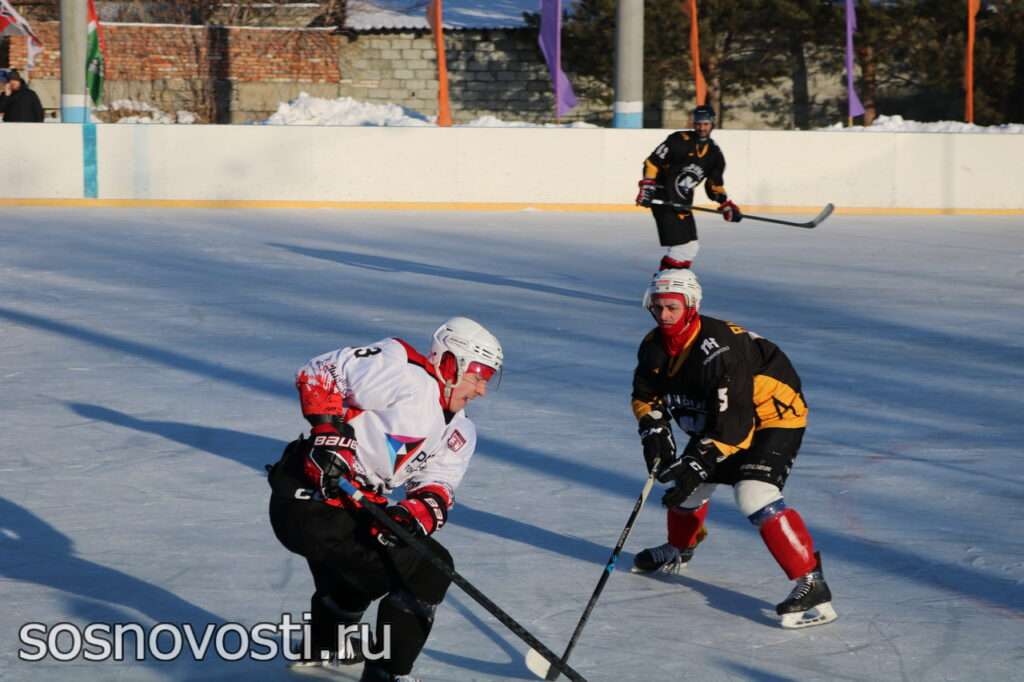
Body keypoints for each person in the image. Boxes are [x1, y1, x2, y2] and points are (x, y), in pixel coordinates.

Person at [267, 317, 504, 681]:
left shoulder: (461, 431)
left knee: (381, 563)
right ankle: (388, 674)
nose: (482, 389)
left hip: (343, 511)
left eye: (488, 379)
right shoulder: (402, 370)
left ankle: (329, 641)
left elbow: (437, 487)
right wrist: (329, 433)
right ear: (449, 363)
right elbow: (321, 370)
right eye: (477, 375)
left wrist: (410, 516)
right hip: (306, 500)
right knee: (429, 568)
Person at [629, 269, 837, 629]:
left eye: (672, 308)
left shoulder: (721, 350)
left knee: (754, 494)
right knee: (686, 487)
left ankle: (811, 582)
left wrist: (696, 461)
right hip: (724, 415)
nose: (664, 315)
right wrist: (654, 431)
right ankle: (681, 547)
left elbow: (735, 428)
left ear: (691, 307)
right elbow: (644, 396)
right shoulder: (653, 346)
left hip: (773, 415)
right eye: (658, 307)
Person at [634, 105, 743, 270]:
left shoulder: (714, 154)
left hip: (683, 203)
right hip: (663, 199)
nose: (701, 127)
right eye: (698, 123)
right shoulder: (678, 140)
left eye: (705, 124)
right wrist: (648, 186)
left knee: (691, 247)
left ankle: (671, 282)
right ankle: (667, 284)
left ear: (712, 124)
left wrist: (724, 203)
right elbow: (652, 162)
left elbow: (714, 185)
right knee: (681, 247)